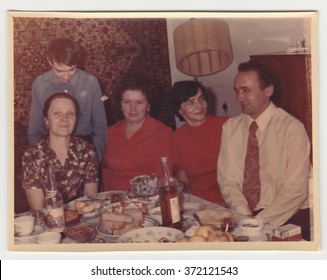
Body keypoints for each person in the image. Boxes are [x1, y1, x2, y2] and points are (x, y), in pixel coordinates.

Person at [217, 59, 311, 240]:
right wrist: (244, 214)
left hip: (286, 214)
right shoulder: (230, 127)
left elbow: (296, 190)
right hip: (243, 212)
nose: (239, 98)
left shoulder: (292, 128)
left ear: (268, 91)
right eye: (236, 91)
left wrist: (258, 221)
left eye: (246, 90)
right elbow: (226, 179)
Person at [27, 37, 107, 163]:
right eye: (59, 71)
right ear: (49, 62)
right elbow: (34, 129)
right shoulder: (40, 84)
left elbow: (100, 126)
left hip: (84, 146)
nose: (65, 77)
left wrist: (95, 160)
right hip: (50, 146)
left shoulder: (91, 82)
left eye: (71, 70)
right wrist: (41, 157)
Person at [22, 93, 99, 210]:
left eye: (70, 114)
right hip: (48, 223)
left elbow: (91, 202)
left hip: (83, 222)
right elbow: (38, 209)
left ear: (76, 120)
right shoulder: (32, 155)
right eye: (57, 113)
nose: (64, 119)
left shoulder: (87, 150)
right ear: (47, 120)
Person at [102, 73, 173, 191]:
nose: (132, 108)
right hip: (114, 200)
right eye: (127, 102)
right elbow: (105, 172)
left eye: (139, 102)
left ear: (148, 106)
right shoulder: (110, 132)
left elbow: (163, 177)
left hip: (149, 198)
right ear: (120, 105)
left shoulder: (163, 133)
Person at [170, 81, 228, 203]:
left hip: (231, 199)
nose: (199, 106)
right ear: (179, 109)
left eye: (201, 99)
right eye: (190, 102)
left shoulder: (227, 125)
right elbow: (183, 181)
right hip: (200, 203)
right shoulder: (176, 138)